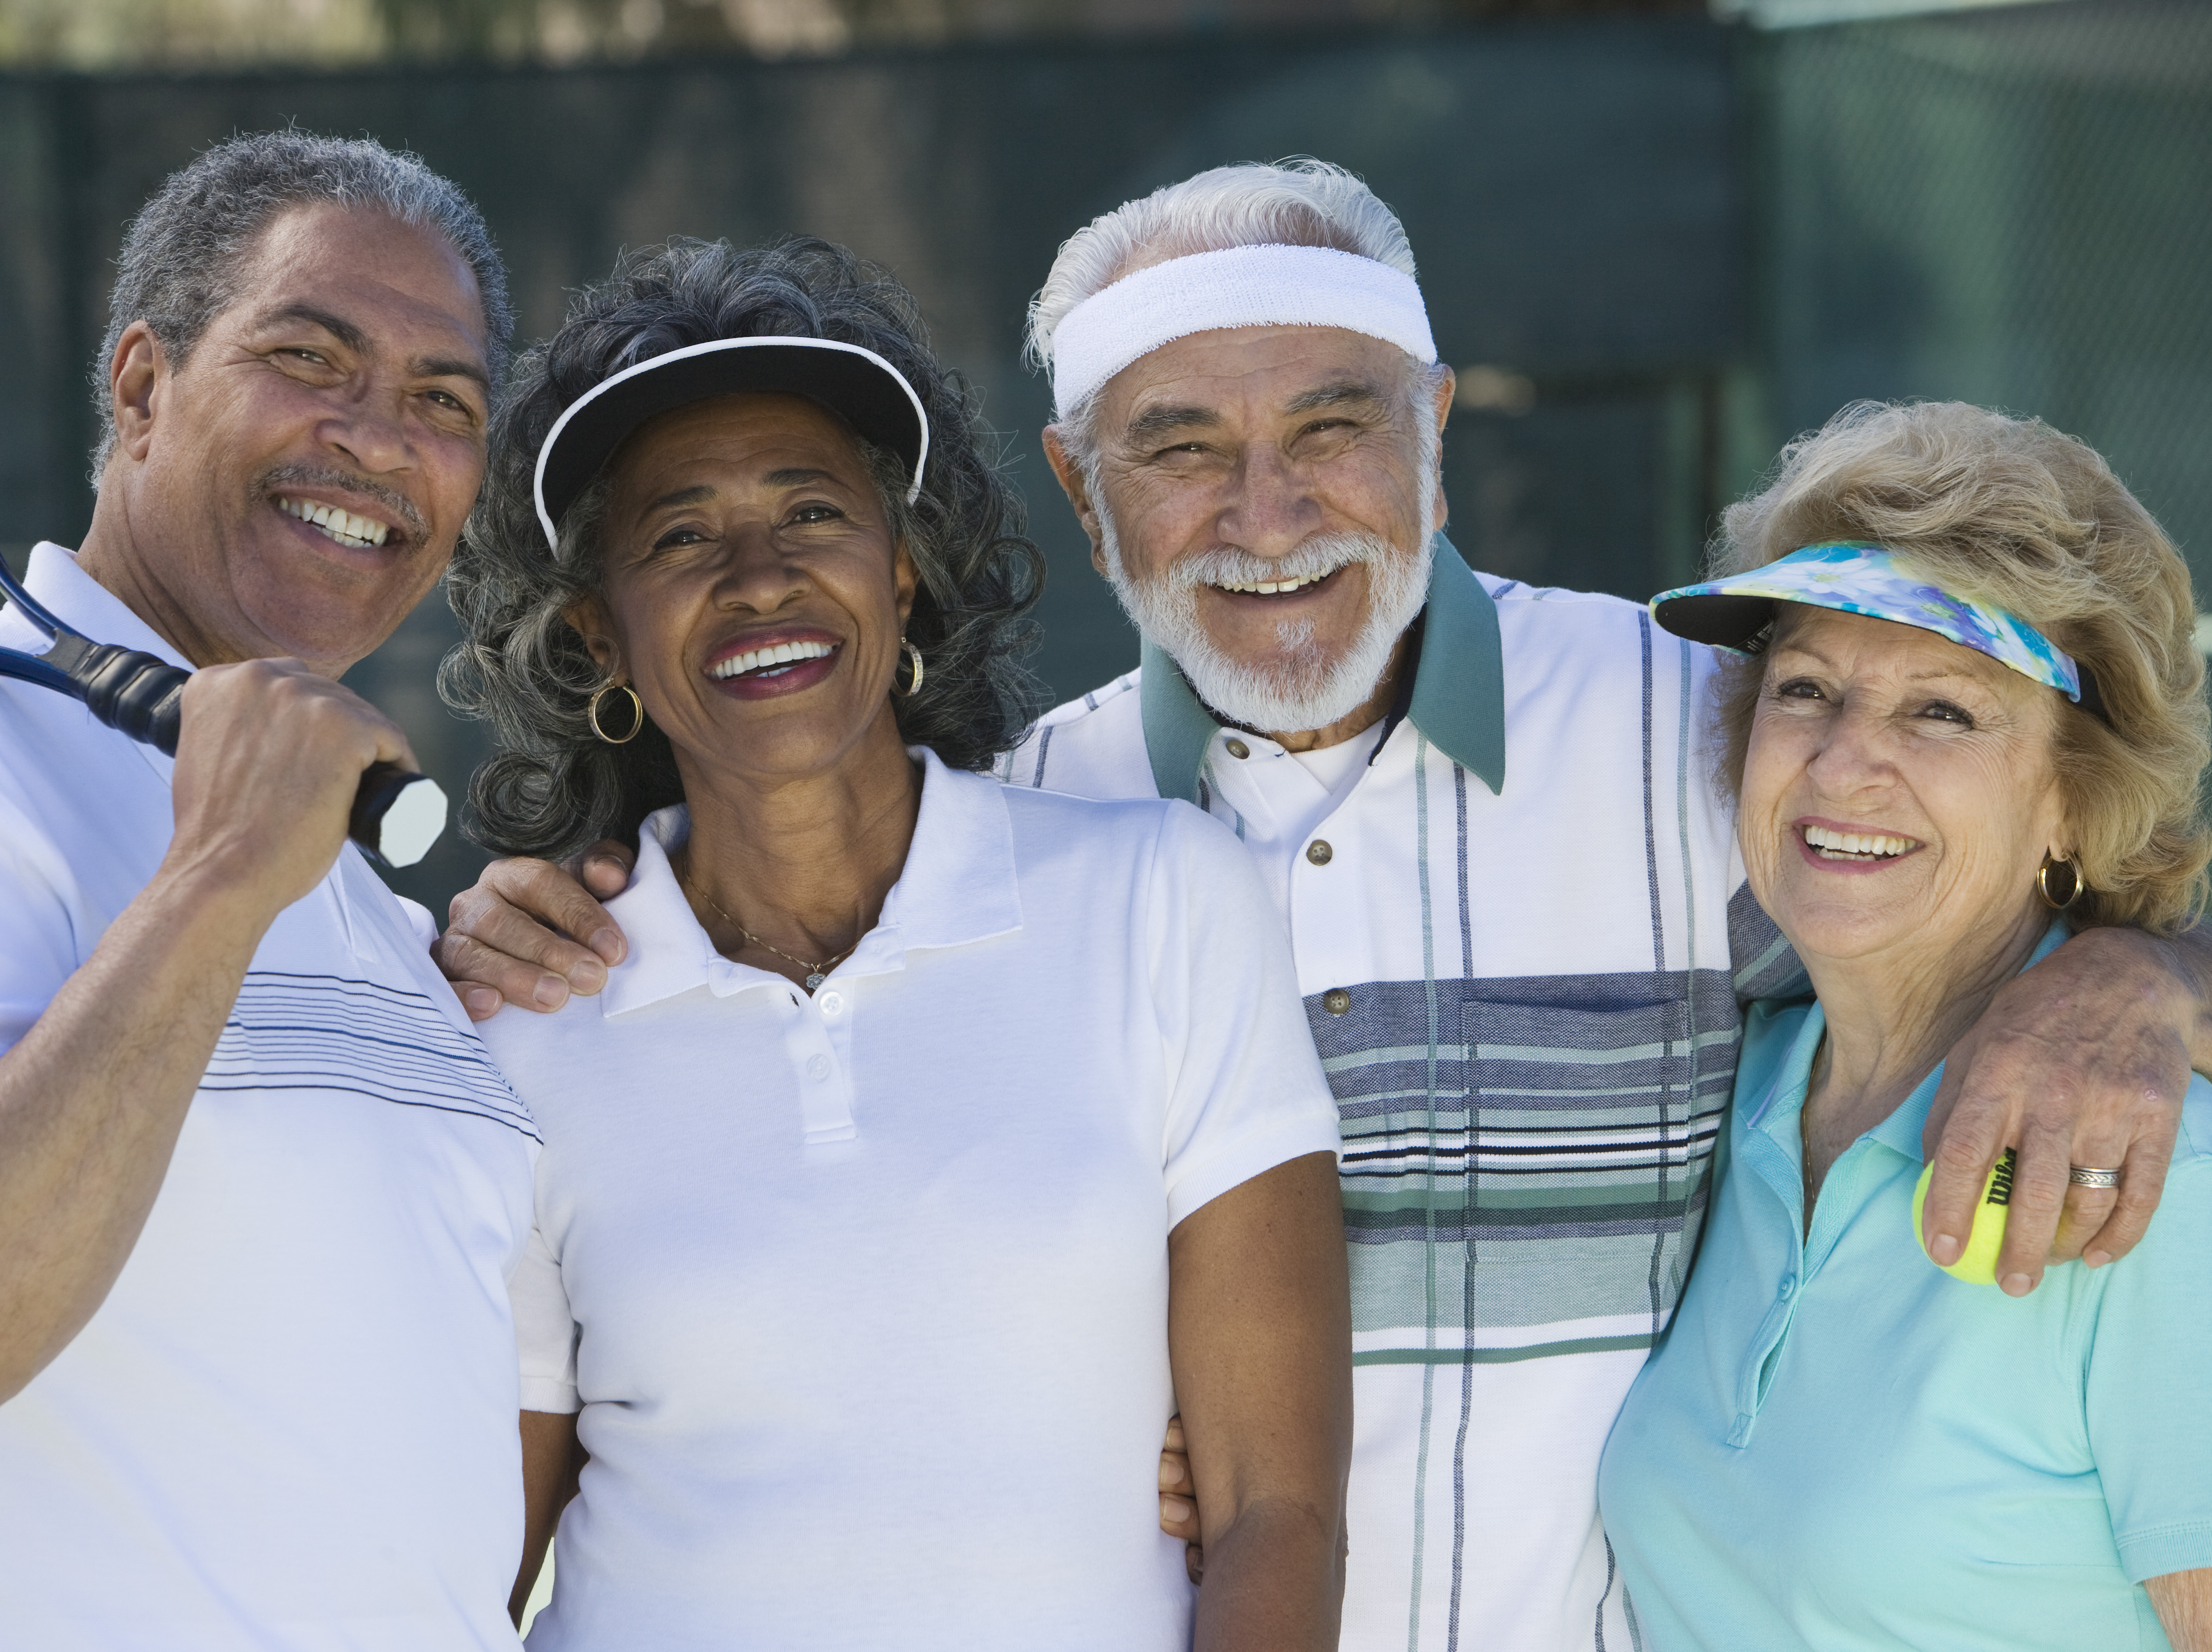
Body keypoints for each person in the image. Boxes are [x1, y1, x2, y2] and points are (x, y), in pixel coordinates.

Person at [433, 162, 2212, 1650]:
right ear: (1077, 486)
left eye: (1332, 425)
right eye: (1178, 444)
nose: (1266, 511)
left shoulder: (1718, 742)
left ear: (1433, 425)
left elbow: (2011, 855)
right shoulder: (1024, 830)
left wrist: (2136, 973)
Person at [442, 235, 1352, 1650]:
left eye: (813, 513)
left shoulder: (1165, 901)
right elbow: (465, 1568)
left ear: (906, 573)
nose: (758, 577)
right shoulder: (520, 1013)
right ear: (598, 638)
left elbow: (1273, 1514)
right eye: (680, 536)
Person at [0, 134, 538, 1648]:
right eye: (313, 358)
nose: (377, 440)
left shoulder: (362, 889)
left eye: (445, 404)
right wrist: (222, 875)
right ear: (142, 388)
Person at [1599, 400, 2212, 1650]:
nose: (1839, 764)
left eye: (1943, 711)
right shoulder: (1737, 1089)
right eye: (1806, 688)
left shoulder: (2159, 1177)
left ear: (2073, 799)